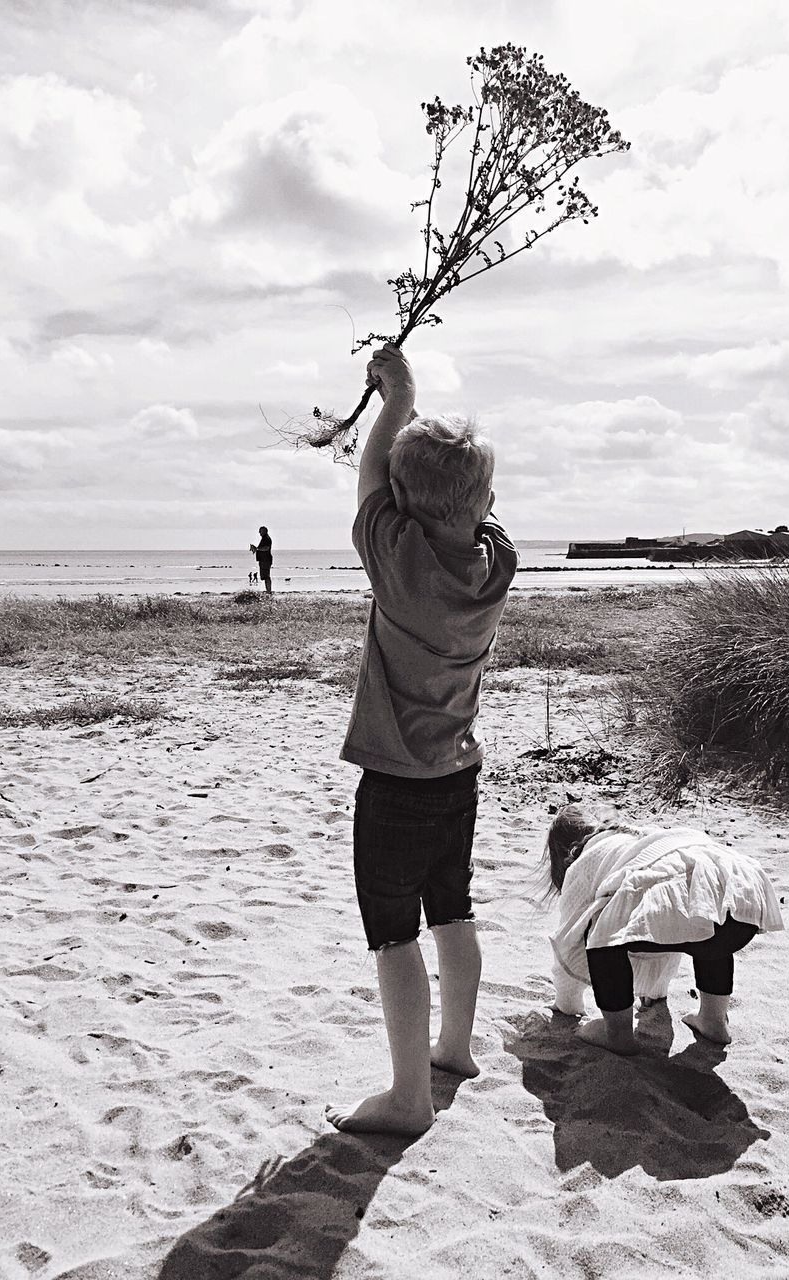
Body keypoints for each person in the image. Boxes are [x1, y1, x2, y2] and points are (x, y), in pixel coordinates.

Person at [325, 342, 518, 1136]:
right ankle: (456, 1049)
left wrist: (394, 397)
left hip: (396, 785)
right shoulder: (496, 564)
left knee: (393, 934)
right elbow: (451, 499)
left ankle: (410, 1098)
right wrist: (411, 413)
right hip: (457, 777)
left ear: (403, 508)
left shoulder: (398, 561)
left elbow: (372, 483)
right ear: (486, 502)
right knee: (453, 911)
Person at [546, 804, 784, 1055]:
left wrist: (567, 1003)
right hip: (743, 897)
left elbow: (569, 939)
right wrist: (655, 992)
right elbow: (668, 929)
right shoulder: (643, 835)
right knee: (702, 922)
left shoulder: (588, 856)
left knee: (599, 935)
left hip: (699, 896)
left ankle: (616, 1033)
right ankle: (713, 1021)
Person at [250, 526, 272, 592]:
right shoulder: (264, 538)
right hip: (263, 560)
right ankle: (268, 590)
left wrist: (257, 548)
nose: (259, 532)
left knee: (266, 577)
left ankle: (269, 591)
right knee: (265, 577)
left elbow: (266, 548)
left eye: (261, 531)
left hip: (266, 559)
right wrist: (255, 549)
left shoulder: (266, 538)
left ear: (265, 531)